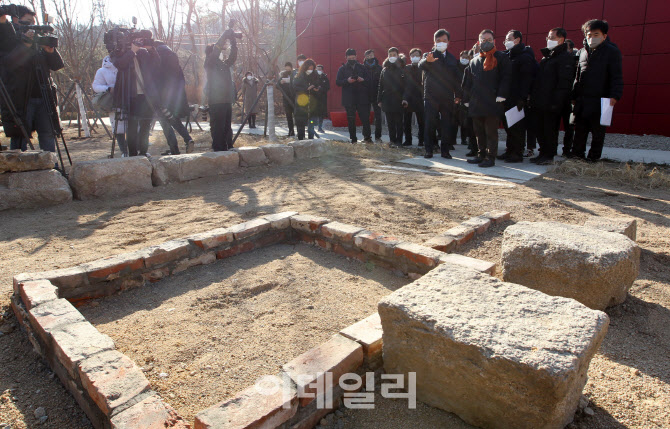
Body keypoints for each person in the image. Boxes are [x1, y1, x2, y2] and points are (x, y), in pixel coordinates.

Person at [1, 6, 64, 152]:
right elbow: (10, 64)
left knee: (48, 134)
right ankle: (20, 169)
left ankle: (52, 168)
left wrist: (50, 51)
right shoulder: (11, 39)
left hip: (44, 97)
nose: (33, 26)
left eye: (34, 21)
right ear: (17, 20)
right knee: (21, 136)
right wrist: (25, 45)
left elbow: (57, 66)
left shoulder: (39, 39)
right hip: (22, 99)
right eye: (29, 21)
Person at [571, 19, 623, 162]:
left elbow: (616, 76)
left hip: (602, 99)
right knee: (580, 130)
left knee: (597, 132)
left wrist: (615, 96)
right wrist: (574, 95)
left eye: (596, 34)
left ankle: (593, 158)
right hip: (582, 100)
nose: (591, 38)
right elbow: (578, 76)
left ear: (604, 36)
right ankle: (577, 155)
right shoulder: (582, 52)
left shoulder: (612, 52)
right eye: (588, 34)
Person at [462, 29, 511, 167]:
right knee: (479, 132)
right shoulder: (474, 61)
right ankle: (481, 154)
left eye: (489, 40)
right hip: (476, 102)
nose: (486, 42)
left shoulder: (501, 57)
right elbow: (468, 82)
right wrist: (466, 99)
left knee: (490, 132)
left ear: (494, 41)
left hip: (493, 101)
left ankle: (490, 157)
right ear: (478, 42)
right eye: (483, 40)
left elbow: (506, 77)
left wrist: (502, 94)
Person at [529, 27, 576, 165]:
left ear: (561, 39)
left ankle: (549, 155)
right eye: (548, 38)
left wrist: (557, 102)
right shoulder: (548, 57)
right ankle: (542, 152)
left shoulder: (564, 58)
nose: (548, 40)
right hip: (540, 101)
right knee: (540, 128)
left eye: (552, 38)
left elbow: (564, 83)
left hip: (552, 102)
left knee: (550, 130)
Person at [111, 30, 161, 157]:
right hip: (130, 96)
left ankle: (143, 152)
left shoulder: (143, 52)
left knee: (145, 125)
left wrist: (151, 49)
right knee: (132, 127)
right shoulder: (118, 52)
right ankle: (132, 155)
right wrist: (131, 51)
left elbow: (156, 64)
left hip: (146, 95)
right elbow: (120, 64)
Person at [419, 29, 463, 159]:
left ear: (448, 42)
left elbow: (456, 79)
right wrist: (428, 61)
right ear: (434, 42)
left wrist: (458, 95)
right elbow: (421, 65)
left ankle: (445, 150)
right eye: (438, 41)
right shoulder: (429, 55)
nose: (441, 43)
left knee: (446, 124)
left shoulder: (452, 59)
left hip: (447, 96)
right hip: (431, 95)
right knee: (430, 123)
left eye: (444, 40)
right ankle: (429, 149)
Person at [498, 29, 536, 163]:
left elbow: (527, 79)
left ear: (517, 40)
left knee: (517, 127)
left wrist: (522, 98)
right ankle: (509, 150)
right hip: (507, 98)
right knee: (509, 126)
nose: (506, 42)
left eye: (508, 39)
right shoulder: (508, 55)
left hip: (517, 99)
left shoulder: (525, 56)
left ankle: (517, 153)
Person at [153, 40, 194, 155]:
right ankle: (188, 139)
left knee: (165, 122)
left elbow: (156, 79)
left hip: (163, 98)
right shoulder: (173, 58)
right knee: (174, 120)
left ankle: (174, 149)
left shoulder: (157, 57)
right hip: (176, 98)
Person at [204, 27, 238, 151]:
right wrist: (224, 35)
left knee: (227, 126)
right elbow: (216, 51)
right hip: (216, 101)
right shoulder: (210, 63)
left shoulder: (222, 64)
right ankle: (218, 149)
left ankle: (228, 146)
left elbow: (233, 58)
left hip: (226, 99)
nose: (220, 50)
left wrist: (233, 42)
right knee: (218, 126)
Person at [92, 56, 128, 156]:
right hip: (114, 102)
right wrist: (108, 88)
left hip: (130, 99)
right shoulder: (102, 71)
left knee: (134, 126)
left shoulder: (128, 65)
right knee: (118, 128)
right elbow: (96, 86)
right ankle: (124, 151)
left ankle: (136, 149)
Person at [335, 48, 372, 143]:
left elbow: (369, 80)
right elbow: (337, 82)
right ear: (346, 57)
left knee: (365, 118)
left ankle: (367, 138)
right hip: (349, 99)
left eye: (353, 57)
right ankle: (353, 139)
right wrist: (347, 81)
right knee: (351, 119)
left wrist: (362, 80)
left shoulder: (362, 67)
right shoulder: (342, 68)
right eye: (350, 57)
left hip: (362, 98)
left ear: (356, 56)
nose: (352, 59)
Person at [377, 47, 405, 147]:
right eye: (390, 55)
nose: (392, 57)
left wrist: (405, 99)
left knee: (399, 122)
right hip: (387, 99)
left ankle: (399, 141)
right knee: (390, 122)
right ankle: (392, 140)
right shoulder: (384, 70)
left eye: (394, 55)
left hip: (398, 99)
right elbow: (380, 85)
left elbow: (406, 86)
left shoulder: (402, 69)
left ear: (397, 56)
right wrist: (379, 100)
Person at [402, 48, 424, 147]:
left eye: (417, 55)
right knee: (406, 121)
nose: (415, 57)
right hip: (408, 98)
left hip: (420, 98)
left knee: (421, 121)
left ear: (420, 56)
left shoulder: (423, 67)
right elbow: (403, 84)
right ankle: (408, 140)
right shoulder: (406, 68)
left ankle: (421, 140)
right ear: (410, 57)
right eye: (413, 55)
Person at [293, 59, 320, 140]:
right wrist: (306, 88)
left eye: (312, 68)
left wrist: (317, 88)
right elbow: (295, 87)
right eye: (309, 68)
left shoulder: (315, 75)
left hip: (312, 102)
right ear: (305, 68)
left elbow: (319, 84)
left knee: (311, 121)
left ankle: (311, 139)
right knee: (301, 121)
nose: (310, 70)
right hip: (301, 102)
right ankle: (301, 138)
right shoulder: (299, 75)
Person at [456, 50, 476, 155]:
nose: (465, 59)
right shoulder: (463, 69)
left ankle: (476, 146)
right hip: (465, 99)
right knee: (466, 122)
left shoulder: (477, 68)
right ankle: (472, 146)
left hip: (476, 100)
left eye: (467, 57)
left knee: (475, 125)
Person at [561, 39, 577, 156]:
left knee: (569, 126)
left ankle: (567, 150)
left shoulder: (575, 62)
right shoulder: (557, 60)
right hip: (558, 99)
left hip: (570, 99)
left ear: (571, 49)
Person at [364, 49, 383, 142]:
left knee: (378, 117)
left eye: (371, 56)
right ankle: (367, 137)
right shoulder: (362, 68)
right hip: (366, 96)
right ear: (365, 57)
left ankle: (378, 137)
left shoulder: (379, 68)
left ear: (374, 56)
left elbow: (382, 83)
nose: (369, 58)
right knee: (365, 117)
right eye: (367, 56)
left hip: (377, 95)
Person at [277, 62, 295, 137]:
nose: (287, 69)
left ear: (291, 67)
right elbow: (277, 86)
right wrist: (281, 82)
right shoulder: (283, 75)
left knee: (297, 115)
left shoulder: (295, 74)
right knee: (288, 116)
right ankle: (291, 131)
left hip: (294, 98)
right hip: (286, 98)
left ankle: (301, 131)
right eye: (286, 67)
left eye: (289, 67)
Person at [315, 64, 330, 133]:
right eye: (317, 69)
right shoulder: (313, 77)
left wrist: (320, 89)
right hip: (314, 98)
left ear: (322, 70)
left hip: (322, 98)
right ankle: (311, 126)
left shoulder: (325, 77)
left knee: (321, 114)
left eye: (320, 69)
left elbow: (327, 87)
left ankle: (320, 127)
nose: (318, 71)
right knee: (312, 113)